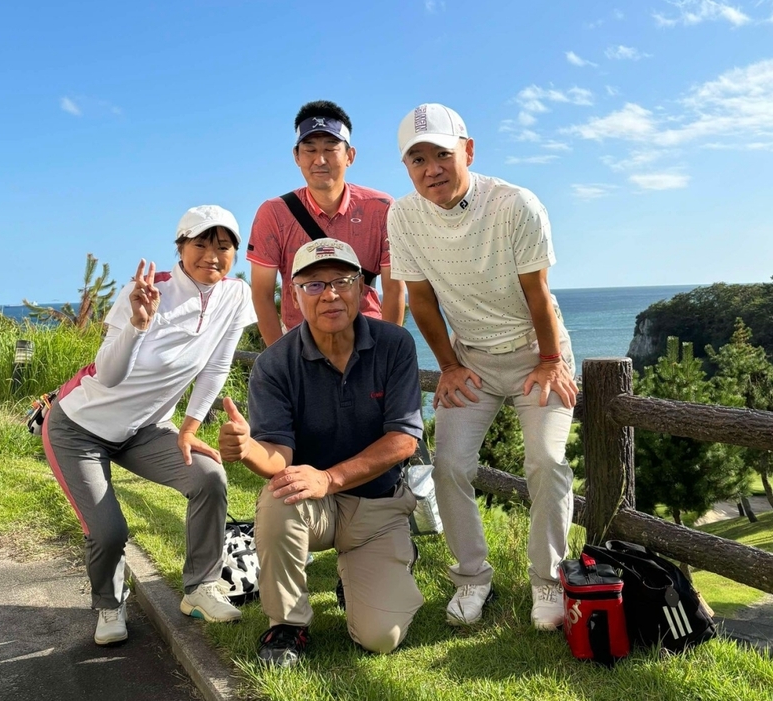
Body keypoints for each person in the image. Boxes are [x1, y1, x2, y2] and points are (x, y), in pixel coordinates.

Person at [386, 104, 579, 631]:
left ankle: (547, 581)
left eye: (442, 155)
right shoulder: (403, 215)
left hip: (535, 351)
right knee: (447, 465)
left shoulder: (516, 204)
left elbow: (536, 292)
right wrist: (446, 366)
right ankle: (472, 577)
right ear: (407, 167)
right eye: (417, 159)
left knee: (545, 461)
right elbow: (421, 301)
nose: (432, 169)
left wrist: (550, 360)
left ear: (467, 151)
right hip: (470, 356)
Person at [43, 205, 257, 646]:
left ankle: (200, 588)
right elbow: (109, 374)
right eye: (201, 243)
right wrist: (138, 327)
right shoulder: (146, 291)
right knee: (109, 531)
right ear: (180, 247)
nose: (212, 255)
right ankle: (108, 604)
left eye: (224, 246)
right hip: (79, 428)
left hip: (143, 428)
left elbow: (216, 365)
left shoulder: (236, 295)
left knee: (209, 477)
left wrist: (189, 427)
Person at [219, 238, 424, 667]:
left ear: (362, 289)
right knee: (279, 496)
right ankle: (288, 626)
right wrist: (248, 449)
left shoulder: (395, 344)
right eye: (313, 285)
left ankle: (366, 575)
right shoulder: (275, 364)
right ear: (293, 295)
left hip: (378, 507)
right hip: (314, 506)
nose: (329, 294)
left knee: (380, 638)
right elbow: (278, 456)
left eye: (342, 281)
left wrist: (330, 477)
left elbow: (404, 439)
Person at [246, 100, 405, 346]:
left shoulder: (381, 208)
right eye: (309, 149)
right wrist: (280, 359)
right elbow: (262, 294)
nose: (320, 160)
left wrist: (387, 352)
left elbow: (394, 288)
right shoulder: (273, 214)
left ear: (350, 155)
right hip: (300, 343)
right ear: (296, 156)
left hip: (367, 339)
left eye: (331, 148)